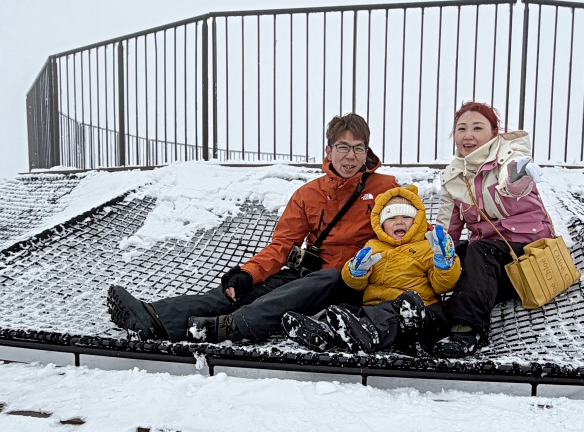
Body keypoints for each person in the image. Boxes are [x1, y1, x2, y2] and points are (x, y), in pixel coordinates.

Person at [107, 113, 399, 344]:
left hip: (352, 281)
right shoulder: (309, 194)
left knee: (323, 280)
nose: (351, 156)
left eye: (358, 148)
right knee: (245, 290)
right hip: (311, 275)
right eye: (343, 147)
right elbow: (282, 245)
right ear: (329, 150)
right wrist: (247, 274)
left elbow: (406, 229)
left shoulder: (386, 188)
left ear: (367, 151)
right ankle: (155, 316)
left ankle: (230, 327)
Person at [431, 101, 553, 358]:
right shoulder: (454, 175)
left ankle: (467, 329)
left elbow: (512, 184)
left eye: (477, 128)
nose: (468, 135)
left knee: (479, 251)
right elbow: (447, 226)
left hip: (527, 251)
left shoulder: (509, 155)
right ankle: (425, 318)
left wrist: (520, 174)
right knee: (457, 257)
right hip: (493, 257)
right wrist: (436, 255)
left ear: (494, 131)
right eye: (461, 128)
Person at [281, 184, 460, 354]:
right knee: (348, 308)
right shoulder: (373, 246)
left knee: (400, 307)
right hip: (374, 307)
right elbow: (356, 285)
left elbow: (442, 286)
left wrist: (444, 264)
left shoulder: (428, 246)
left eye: (406, 217)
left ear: (418, 220)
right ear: (380, 224)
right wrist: (355, 272)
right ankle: (324, 331)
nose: (399, 222)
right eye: (391, 218)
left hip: (420, 315)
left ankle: (368, 334)